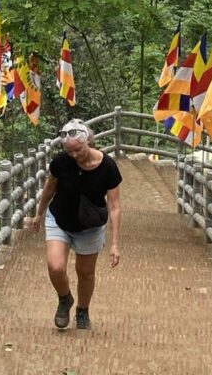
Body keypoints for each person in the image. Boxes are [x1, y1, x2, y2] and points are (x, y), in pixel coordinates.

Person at [27, 120, 122, 331]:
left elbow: (115, 206)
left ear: (88, 141)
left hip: (90, 225)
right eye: (69, 151)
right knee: (55, 266)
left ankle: (82, 310)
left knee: (85, 272)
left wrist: (115, 243)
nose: (74, 155)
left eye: (78, 150)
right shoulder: (62, 162)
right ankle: (64, 299)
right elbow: (50, 188)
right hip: (60, 218)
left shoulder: (107, 166)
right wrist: (39, 213)